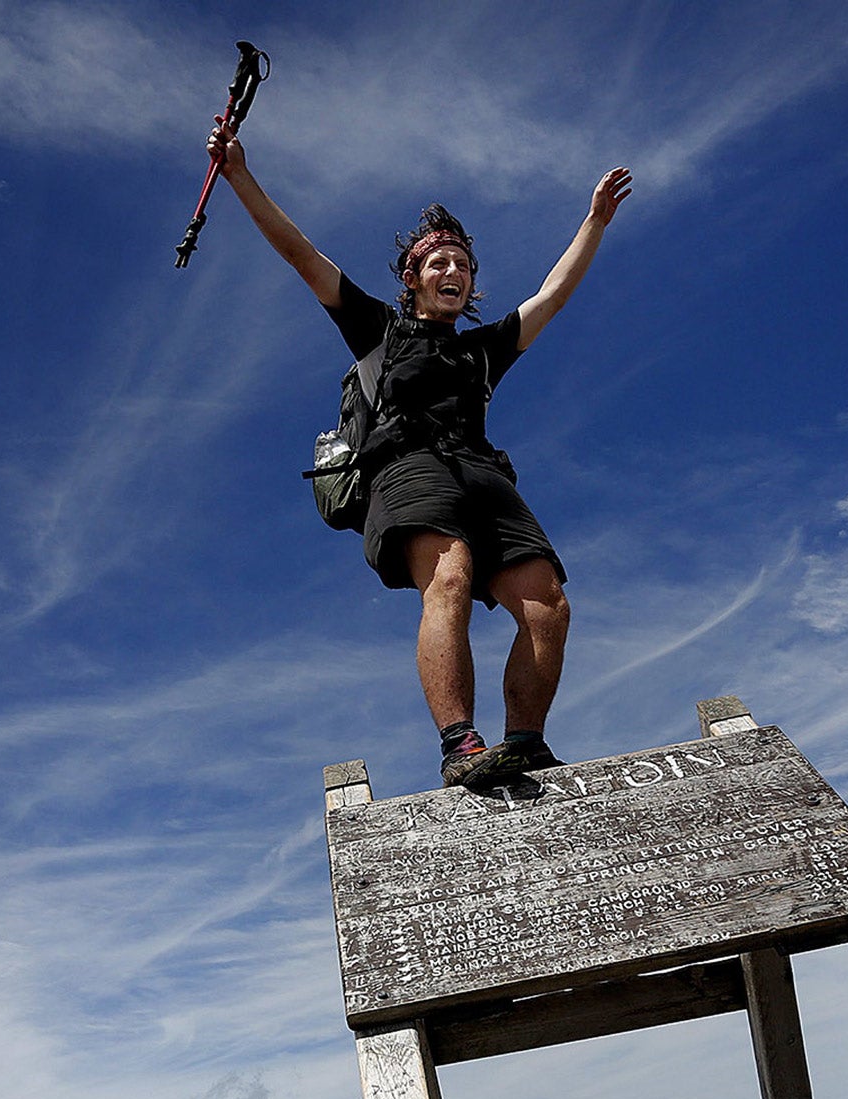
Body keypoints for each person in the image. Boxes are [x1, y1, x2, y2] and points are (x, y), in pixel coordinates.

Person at [206, 116, 631, 788]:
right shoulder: (379, 327)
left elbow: (551, 296)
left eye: (462, 262)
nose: (453, 269)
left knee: (547, 600)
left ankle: (524, 744)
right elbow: (300, 254)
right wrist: (239, 176)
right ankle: (460, 744)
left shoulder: (484, 349)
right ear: (413, 278)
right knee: (451, 578)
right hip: (408, 467)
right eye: (438, 262)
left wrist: (595, 222)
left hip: (483, 472)